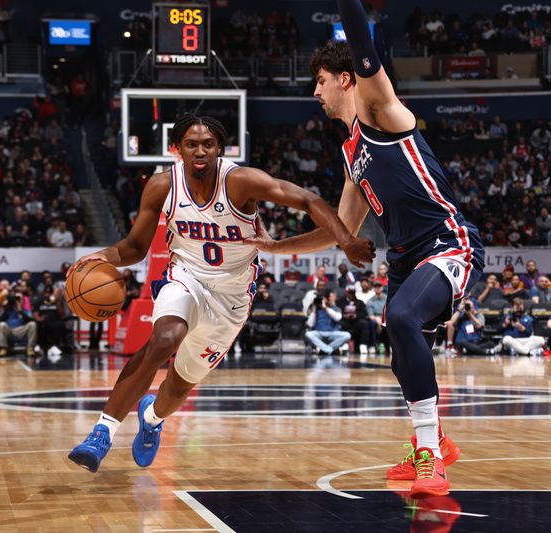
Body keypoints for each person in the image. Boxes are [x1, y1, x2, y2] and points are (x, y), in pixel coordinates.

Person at [247, 3, 485, 497]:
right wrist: (273, 246)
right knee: (400, 352)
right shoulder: (351, 150)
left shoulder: (382, 111)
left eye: (319, 80)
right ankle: (437, 438)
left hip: (446, 242)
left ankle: (429, 458)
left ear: (346, 78)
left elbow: (363, 45)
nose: (314, 91)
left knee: (400, 319)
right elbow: (341, 228)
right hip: (403, 257)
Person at [68, 113, 374, 473]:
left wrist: (347, 241)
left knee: (179, 387)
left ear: (220, 149)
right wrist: (103, 255)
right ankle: (102, 433)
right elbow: (135, 247)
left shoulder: (240, 181)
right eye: (191, 144)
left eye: (208, 144)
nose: (200, 151)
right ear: (177, 148)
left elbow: (308, 201)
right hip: (186, 277)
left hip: (231, 297)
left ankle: (151, 418)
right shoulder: (162, 186)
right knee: (164, 338)